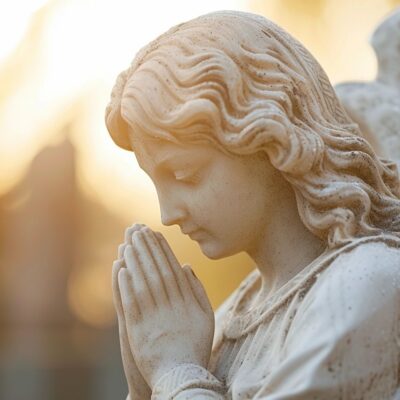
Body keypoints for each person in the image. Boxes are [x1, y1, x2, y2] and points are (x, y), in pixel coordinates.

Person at [105, 10, 400, 399]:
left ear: (269, 140)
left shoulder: (367, 283)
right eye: (155, 182)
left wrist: (175, 372)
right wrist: (145, 384)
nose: (167, 214)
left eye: (185, 175)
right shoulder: (225, 320)